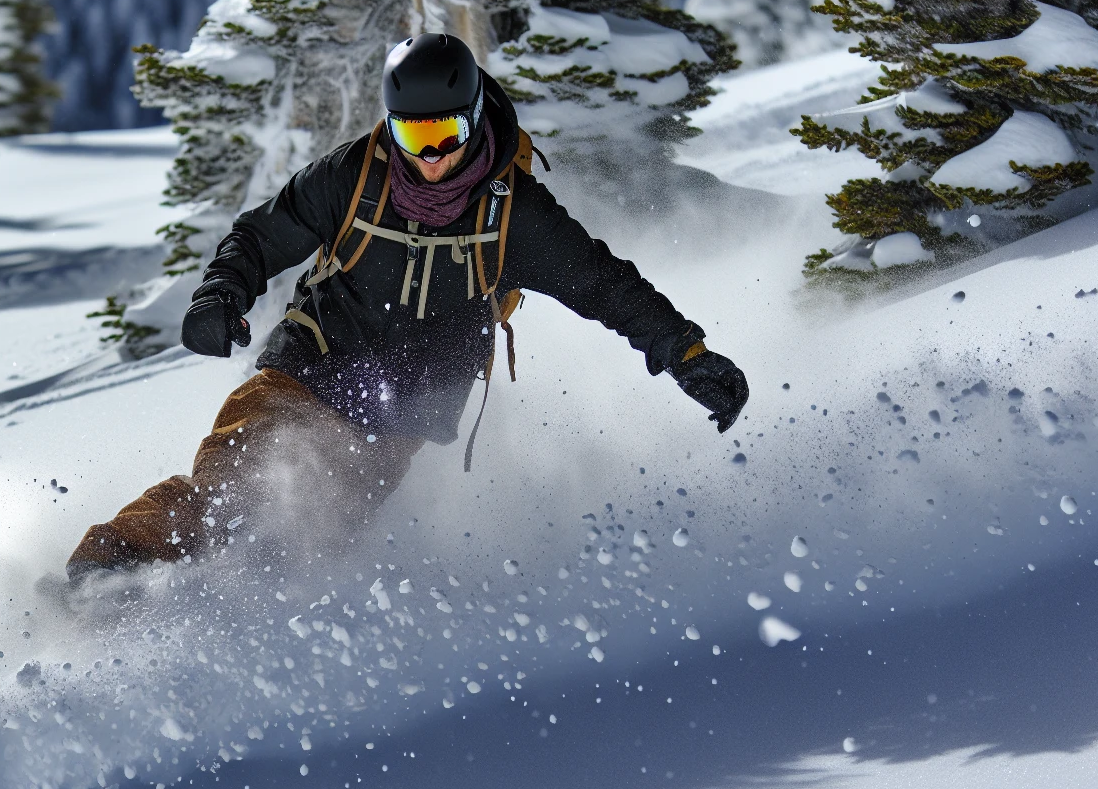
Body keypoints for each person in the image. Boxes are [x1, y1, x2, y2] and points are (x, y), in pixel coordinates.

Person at [66, 34, 748, 584]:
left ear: (476, 120)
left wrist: (684, 351)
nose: (431, 158)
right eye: (413, 138)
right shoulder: (352, 176)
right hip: (312, 362)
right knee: (236, 481)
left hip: (410, 406)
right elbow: (260, 235)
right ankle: (115, 566)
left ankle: (234, 613)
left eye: (445, 135)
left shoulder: (516, 217)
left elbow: (606, 287)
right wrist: (220, 294)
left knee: (315, 529)